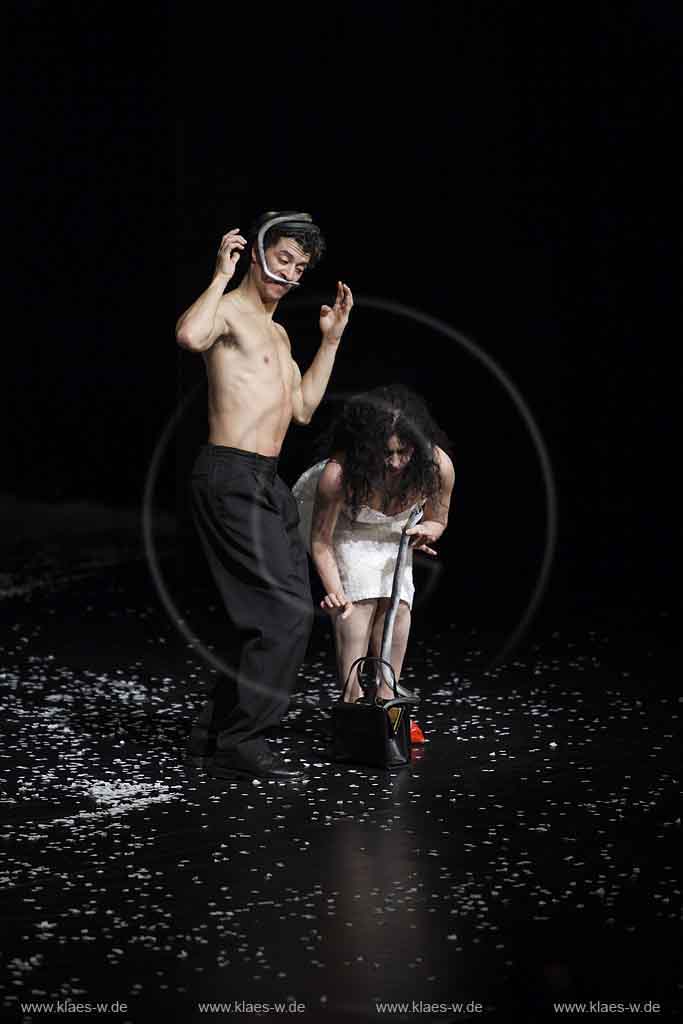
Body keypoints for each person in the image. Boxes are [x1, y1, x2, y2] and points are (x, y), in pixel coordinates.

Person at [175, 211, 353, 780]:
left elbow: (301, 409)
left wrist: (329, 342)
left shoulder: (277, 332)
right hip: (229, 475)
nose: (291, 273)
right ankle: (244, 739)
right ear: (256, 253)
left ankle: (214, 731)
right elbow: (188, 335)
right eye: (283, 259)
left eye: (300, 266)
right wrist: (219, 277)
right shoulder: (228, 310)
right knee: (284, 613)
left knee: (262, 616)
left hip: (266, 480)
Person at [292, 385, 454, 732]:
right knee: (356, 613)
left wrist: (429, 529)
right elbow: (320, 540)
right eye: (386, 453)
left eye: (404, 451)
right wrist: (336, 593)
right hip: (348, 531)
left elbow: (439, 519)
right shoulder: (339, 475)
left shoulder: (437, 465)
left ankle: (387, 702)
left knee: (398, 613)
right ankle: (350, 705)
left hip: (394, 536)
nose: (395, 463)